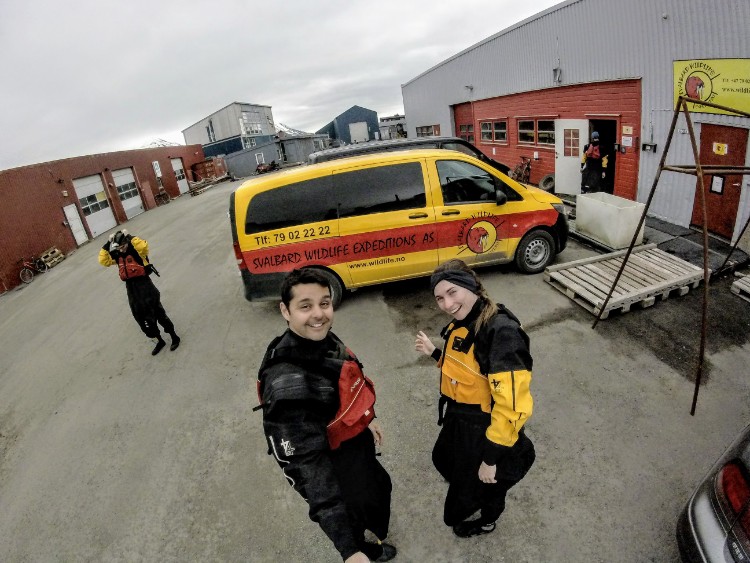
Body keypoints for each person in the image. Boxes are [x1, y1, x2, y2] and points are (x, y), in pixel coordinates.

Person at [256, 268, 396, 562]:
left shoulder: (321, 340)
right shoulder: (287, 384)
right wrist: (349, 550)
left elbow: (349, 386)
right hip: (335, 464)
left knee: (378, 489)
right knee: (356, 511)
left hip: (355, 444)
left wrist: (368, 419)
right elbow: (308, 471)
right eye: (305, 306)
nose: (319, 314)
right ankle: (367, 547)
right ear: (285, 310)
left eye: (324, 303)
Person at [414, 259, 535, 538]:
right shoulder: (465, 321)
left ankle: (487, 520)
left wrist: (491, 459)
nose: (446, 304)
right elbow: (469, 371)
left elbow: (512, 406)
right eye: (439, 298)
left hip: (486, 428)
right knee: (443, 458)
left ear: (472, 287)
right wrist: (435, 353)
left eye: (452, 292)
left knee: (490, 484)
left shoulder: (501, 332)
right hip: (461, 417)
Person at [98, 230, 180, 355]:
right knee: (142, 318)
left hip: (146, 286)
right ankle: (159, 340)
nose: (121, 250)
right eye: (119, 248)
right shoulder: (118, 255)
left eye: (123, 246)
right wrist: (107, 243)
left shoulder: (137, 252)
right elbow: (103, 261)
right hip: (132, 290)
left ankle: (174, 337)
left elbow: (143, 246)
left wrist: (129, 236)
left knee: (158, 313)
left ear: (127, 243)